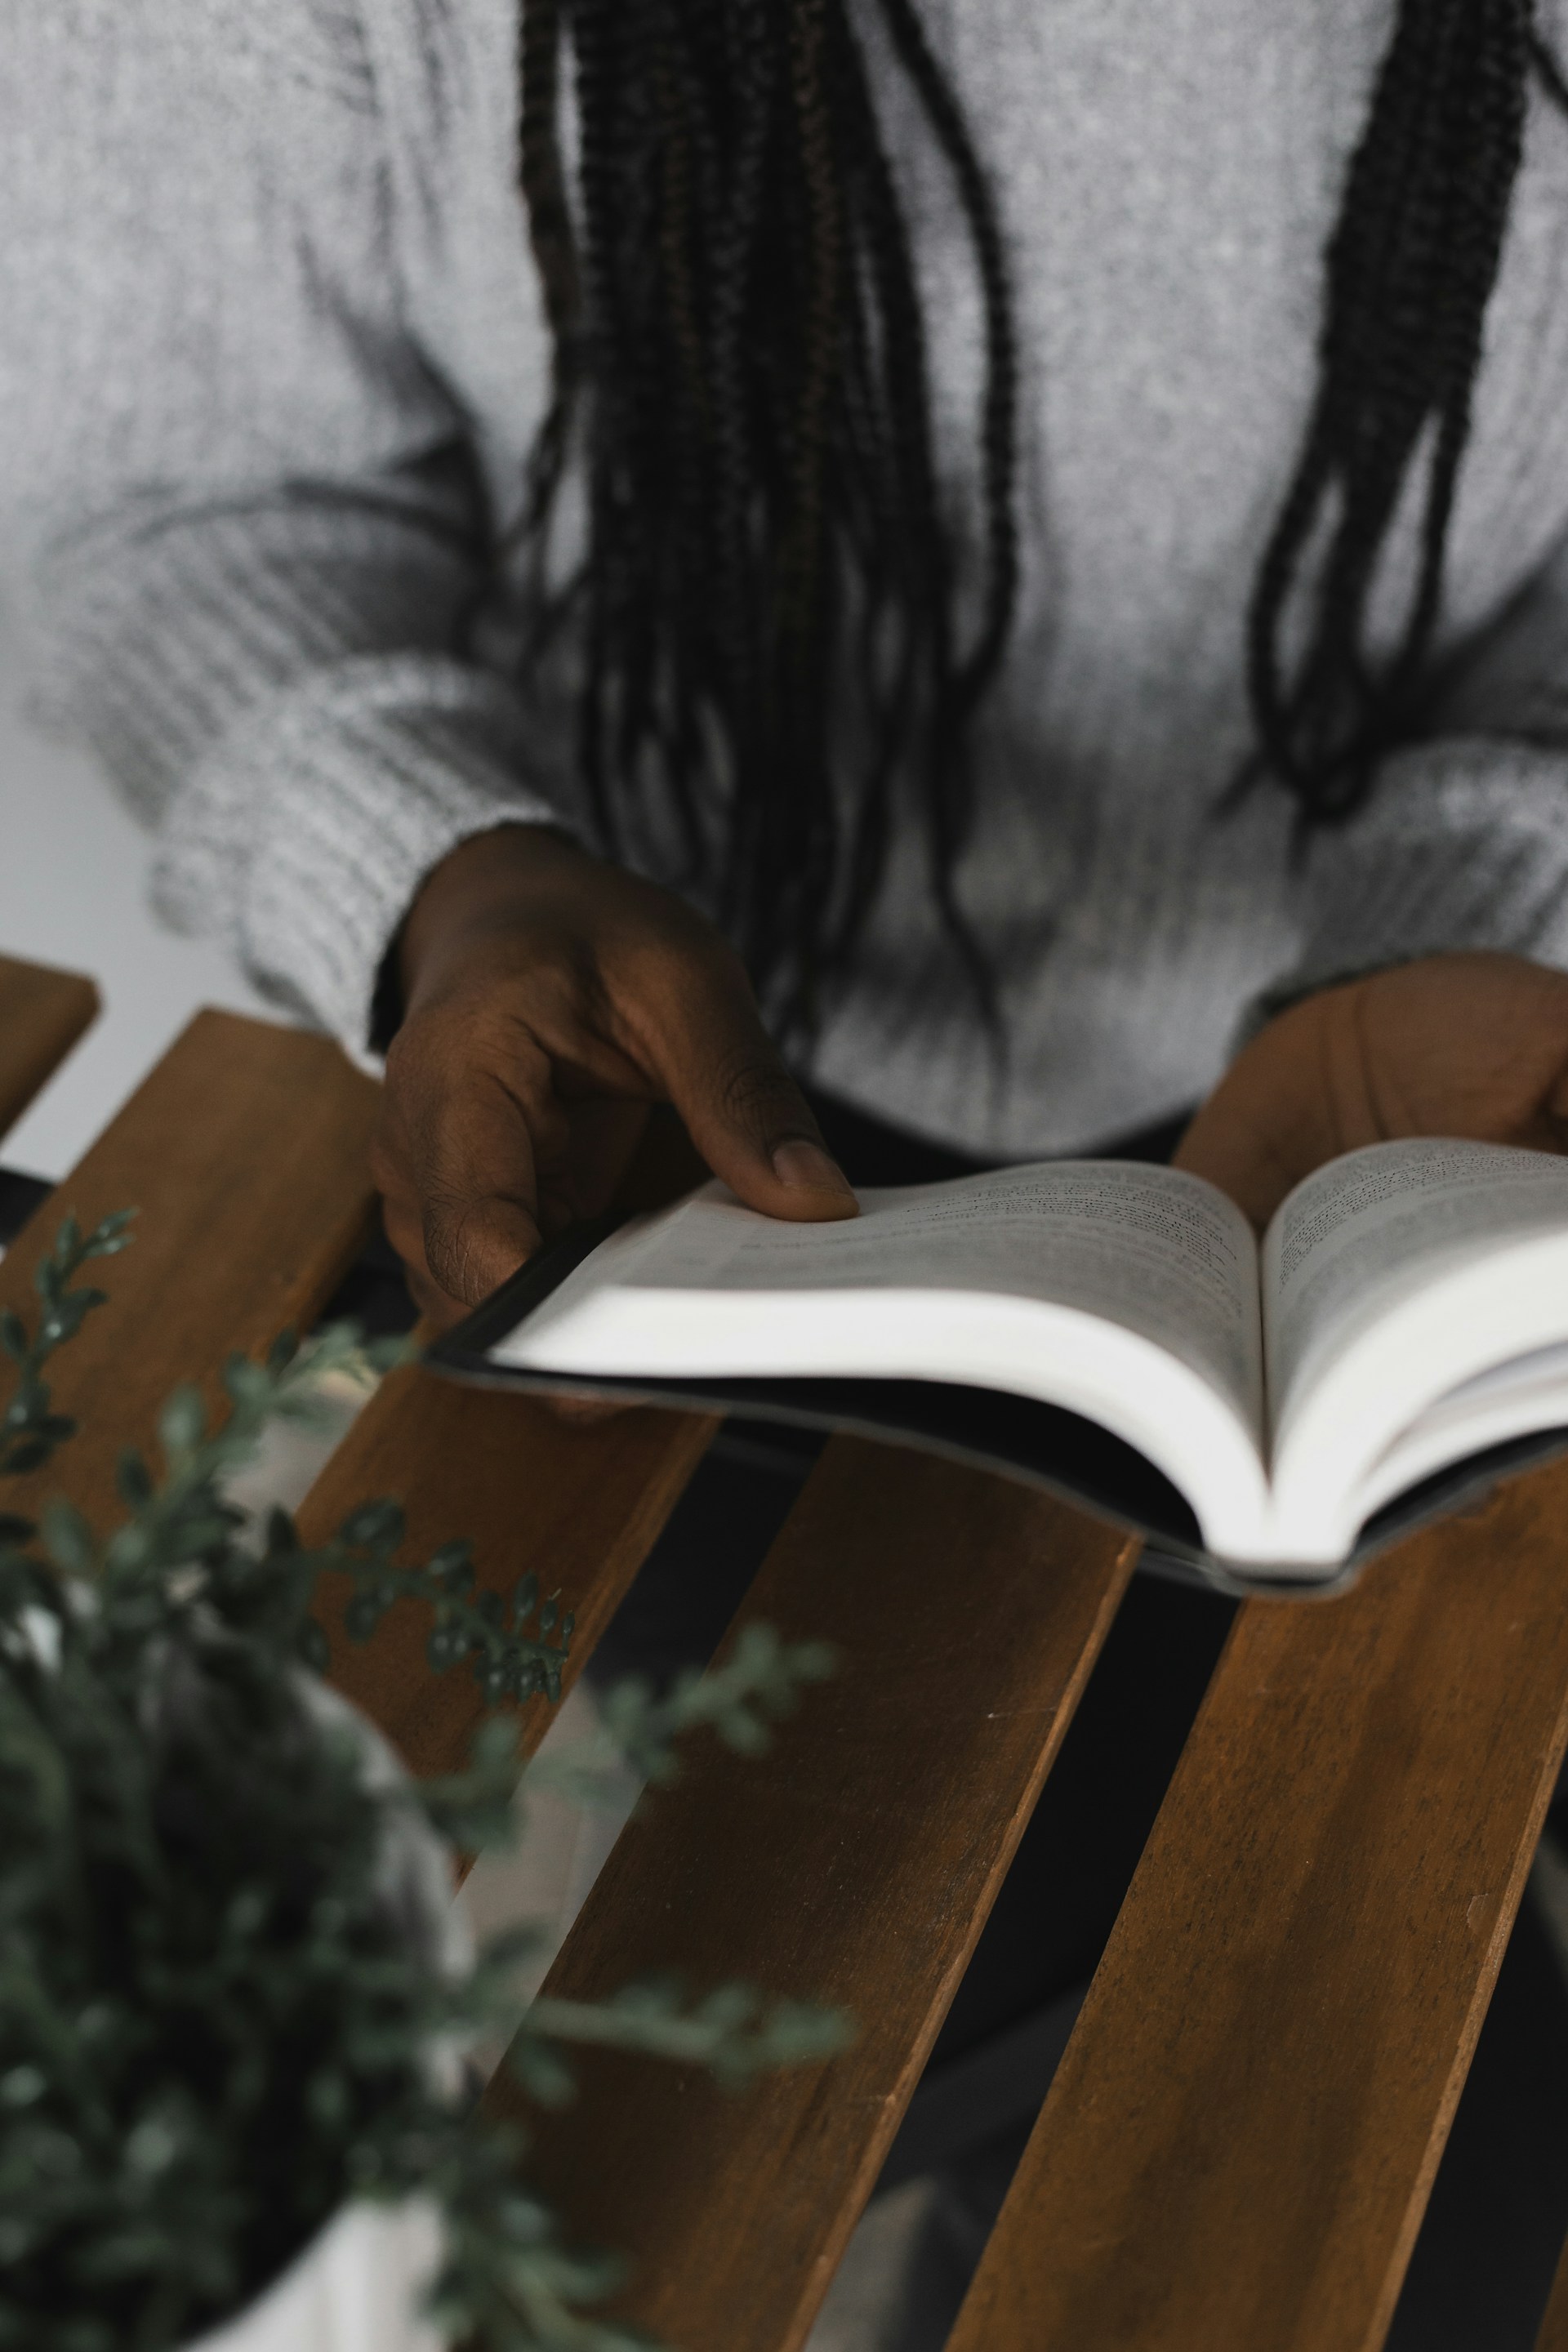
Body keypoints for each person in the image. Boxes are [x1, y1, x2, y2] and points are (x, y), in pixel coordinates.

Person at [7, 3, 1568, 2339]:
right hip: (636, 1125)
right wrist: (437, 875)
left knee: (1388, 2076)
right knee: (903, 1947)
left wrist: (1499, 893)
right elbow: (173, 490)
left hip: (1416, 1127)